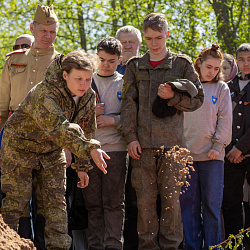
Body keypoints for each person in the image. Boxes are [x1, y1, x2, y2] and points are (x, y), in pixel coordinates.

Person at [0, 49, 110, 249]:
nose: (84, 85)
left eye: (88, 79)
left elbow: (87, 129)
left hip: (51, 152)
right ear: (64, 75)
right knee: (15, 203)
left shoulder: (88, 96)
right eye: (79, 79)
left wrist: (83, 166)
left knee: (56, 205)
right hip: (20, 149)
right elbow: (60, 127)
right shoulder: (45, 93)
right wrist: (89, 149)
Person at [120, 13, 204, 249]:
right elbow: (127, 106)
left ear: (167, 35)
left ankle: (172, 247)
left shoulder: (181, 64)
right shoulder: (135, 66)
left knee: (171, 205)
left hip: (173, 148)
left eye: (158, 38)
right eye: (149, 39)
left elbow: (198, 99)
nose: (154, 43)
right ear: (144, 38)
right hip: (143, 148)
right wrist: (131, 138)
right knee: (145, 206)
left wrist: (174, 97)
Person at [0, 5, 60, 246]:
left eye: (53, 31)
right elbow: (2, 106)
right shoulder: (14, 62)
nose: (48, 36)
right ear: (32, 29)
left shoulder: (63, 64)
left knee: (49, 202)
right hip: (15, 138)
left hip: (50, 138)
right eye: (43, 30)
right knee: (16, 200)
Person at [180, 44, 232, 249]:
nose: (212, 71)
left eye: (217, 68)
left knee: (211, 206)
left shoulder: (221, 88)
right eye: (209, 67)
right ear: (199, 64)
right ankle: (192, 246)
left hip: (212, 157)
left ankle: (214, 247)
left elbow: (225, 120)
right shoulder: (185, 87)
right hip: (186, 158)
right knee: (188, 208)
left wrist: (218, 146)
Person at [82, 36, 128, 250]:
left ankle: (113, 246)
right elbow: (71, 117)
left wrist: (114, 120)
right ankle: (95, 246)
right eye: (101, 59)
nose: (105, 65)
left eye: (111, 60)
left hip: (116, 151)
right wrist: (90, 113)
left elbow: (134, 117)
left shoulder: (126, 82)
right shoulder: (86, 81)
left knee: (114, 204)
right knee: (92, 205)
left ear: (119, 60)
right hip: (90, 150)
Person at [116, 25, 142, 250]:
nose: (127, 45)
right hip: (113, 146)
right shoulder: (107, 70)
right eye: (123, 42)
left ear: (139, 45)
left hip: (139, 146)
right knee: (117, 201)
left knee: (137, 200)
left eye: (131, 42)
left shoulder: (145, 70)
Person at [222, 43, 250, 240]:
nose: (245, 63)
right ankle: (234, 242)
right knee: (231, 201)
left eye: (249, 59)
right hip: (229, 154)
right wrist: (230, 149)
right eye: (241, 59)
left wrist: (240, 148)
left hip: (244, 151)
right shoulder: (228, 87)